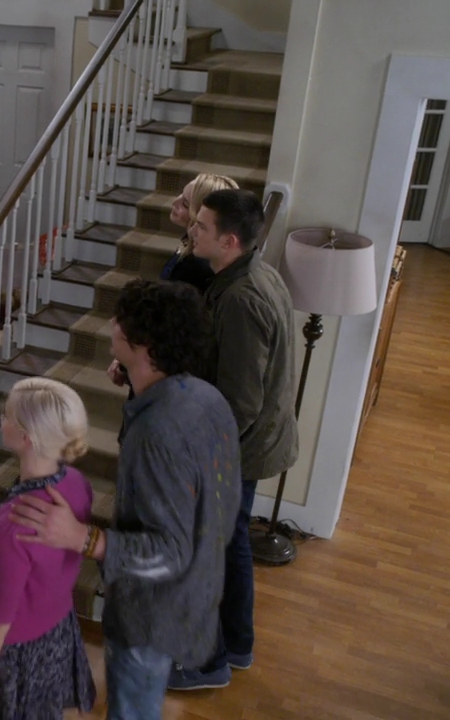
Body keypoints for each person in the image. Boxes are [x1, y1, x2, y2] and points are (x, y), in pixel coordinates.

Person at [10, 279, 242, 719]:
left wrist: (84, 538)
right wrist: (135, 379)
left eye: (123, 320)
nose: (113, 323)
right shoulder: (206, 397)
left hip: (151, 612)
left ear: (146, 345)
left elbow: (170, 551)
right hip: (196, 590)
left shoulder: (157, 433)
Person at [167, 188, 298, 690]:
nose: (192, 230)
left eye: (201, 226)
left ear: (230, 241)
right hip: (253, 442)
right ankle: (238, 646)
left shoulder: (242, 298)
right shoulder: (253, 274)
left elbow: (241, 402)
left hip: (237, 448)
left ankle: (209, 663)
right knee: (231, 544)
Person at [0, 377, 95, 720]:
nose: (1, 420)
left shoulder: (12, 528)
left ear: (26, 437)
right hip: (58, 628)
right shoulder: (77, 484)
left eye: (6, 416)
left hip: (17, 650)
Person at [106, 173, 239, 401]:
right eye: (180, 195)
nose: (175, 202)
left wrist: (129, 364)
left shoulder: (197, 266)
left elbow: (168, 330)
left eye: (185, 203)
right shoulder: (189, 248)